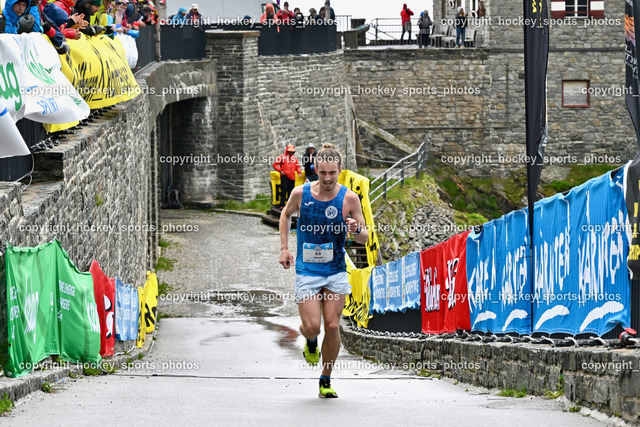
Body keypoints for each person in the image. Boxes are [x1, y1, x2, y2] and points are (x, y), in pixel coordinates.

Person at [279, 143, 368, 399]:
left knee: (332, 325)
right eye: (323, 173)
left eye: (332, 173)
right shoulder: (301, 193)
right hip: (307, 270)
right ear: (315, 170)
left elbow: (363, 237)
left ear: (340, 170)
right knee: (313, 327)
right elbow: (285, 215)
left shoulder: (350, 198)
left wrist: (355, 229)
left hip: (335, 270)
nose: (328, 179)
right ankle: (309, 340)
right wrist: (284, 249)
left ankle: (325, 379)